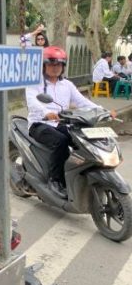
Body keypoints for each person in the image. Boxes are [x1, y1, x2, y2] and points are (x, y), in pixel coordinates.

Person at [26, 46, 112, 199]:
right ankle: (55, 180)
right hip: (39, 124)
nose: (55, 68)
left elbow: (82, 101)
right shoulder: (35, 83)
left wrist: (103, 110)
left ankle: (80, 174)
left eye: (58, 65)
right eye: (51, 64)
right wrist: (46, 112)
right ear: (44, 65)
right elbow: (32, 101)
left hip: (61, 123)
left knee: (83, 139)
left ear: (63, 66)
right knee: (61, 141)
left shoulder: (67, 84)